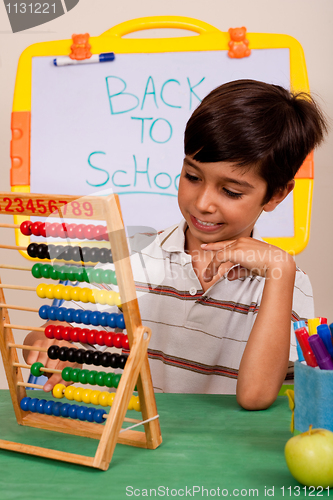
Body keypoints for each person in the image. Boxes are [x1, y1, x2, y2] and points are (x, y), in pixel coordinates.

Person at [24, 79, 327, 410]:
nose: (203, 203)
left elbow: (256, 397)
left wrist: (280, 270)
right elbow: (52, 335)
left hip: (230, 454)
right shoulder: (136, 258)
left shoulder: (288, 283)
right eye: (192, 177)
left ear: (277, 194)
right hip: (142, 446)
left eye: (231, 191)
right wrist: (51, 346)